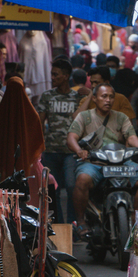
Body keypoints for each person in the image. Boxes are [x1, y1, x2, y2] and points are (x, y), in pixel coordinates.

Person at [67, 83, 138, 238]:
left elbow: (131, 137)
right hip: (94, 163)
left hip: (121, 162)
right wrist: (79, 150)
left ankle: (135, 219)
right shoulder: (84, 117)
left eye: (111, 97)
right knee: (82, 179)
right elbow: (71, 137)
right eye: (104, 96)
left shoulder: (121, 117)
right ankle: (81, 221)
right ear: (95, 99)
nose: (108, 100)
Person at [37, 60, 91, 223]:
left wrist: (89, 92)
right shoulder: (47, 96)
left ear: (66, 76)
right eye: (52, 74)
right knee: (53, 190)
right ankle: (59, 225)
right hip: (51, 150)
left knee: (71, 186)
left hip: (70, 152)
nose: (52, 77)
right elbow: (40, 123)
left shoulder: (77, 97)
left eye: (56, 74)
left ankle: (73, 224)